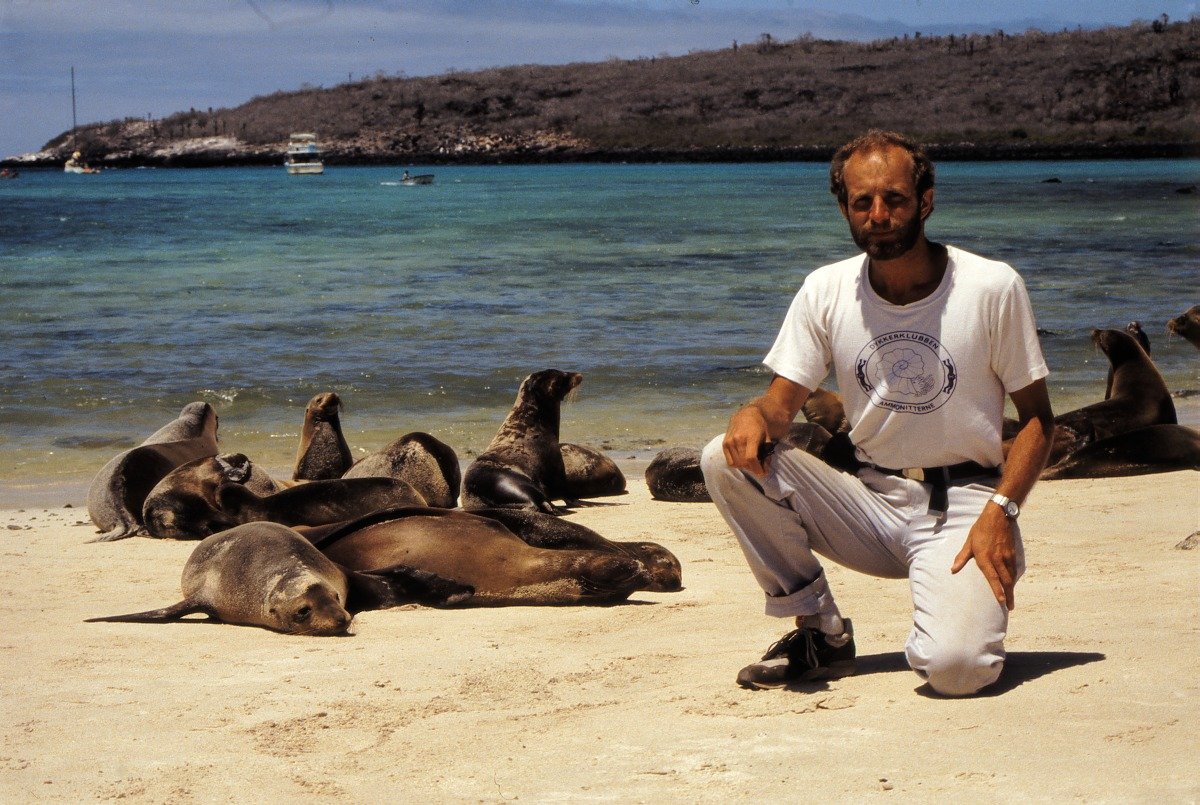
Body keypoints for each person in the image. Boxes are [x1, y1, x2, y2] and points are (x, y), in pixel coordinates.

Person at [700, 129, 1054, 696]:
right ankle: (820, 630)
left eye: (895, 198)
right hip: (868, 503)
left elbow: (1040, 420)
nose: (879, 214)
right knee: (724, 457)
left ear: (927, 199)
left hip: (965, 507)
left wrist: (1003, 510)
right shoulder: (826, 289)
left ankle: (950, 618)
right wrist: (752, 413)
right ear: (844, 207)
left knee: (957, 672)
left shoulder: (992, 286)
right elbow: (779, 405)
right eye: (862, 202)